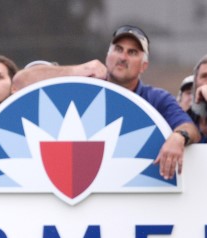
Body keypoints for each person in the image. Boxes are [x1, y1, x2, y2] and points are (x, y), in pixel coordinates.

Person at [11, 25, 197, 180]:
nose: (123, 57)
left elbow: (190, 128)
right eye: (118, 49)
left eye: (132, 52)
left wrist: (178, 137)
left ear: (144, 66)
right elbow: (20, 82)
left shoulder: (156, 98)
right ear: (108, 55)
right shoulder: (82, 86)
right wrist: (78, 70)